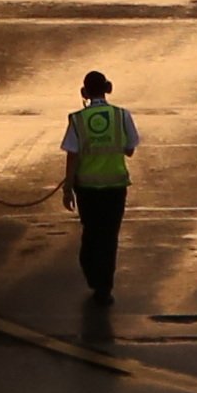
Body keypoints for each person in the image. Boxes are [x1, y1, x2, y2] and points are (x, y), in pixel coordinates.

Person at [62, 69, 138, 302]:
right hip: (115, 186)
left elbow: (72, 155)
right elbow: (130, 149)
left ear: (84, 92)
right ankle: (104, 287)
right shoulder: (121, 116)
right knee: (109, 237)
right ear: (108, 88)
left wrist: (67, 187)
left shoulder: (77, 120)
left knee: (91, 233)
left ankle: (93, 275)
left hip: (87, 189)